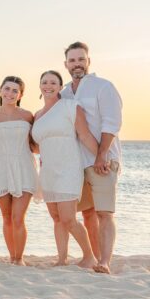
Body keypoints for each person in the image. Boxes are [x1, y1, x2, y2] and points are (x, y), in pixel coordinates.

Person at [61, 41, 123, 274]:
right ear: (66, 64)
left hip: (102, 159)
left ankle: (105, 261)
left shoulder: (103, 87)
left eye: (81, 59)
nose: (77, 64)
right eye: (72, 60)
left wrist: (102, 154)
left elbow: (112, 123)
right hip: (77, 163)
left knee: (104, 212)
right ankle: (93, 257)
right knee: (86, 212)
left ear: (88, 61)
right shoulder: (65, 92)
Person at [33, 69, 98, 268]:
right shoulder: (37, 115)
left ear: (61, 87)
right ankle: (62, 259)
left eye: (53, 82)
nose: (48, 86)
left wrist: (100, 157)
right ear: (40, 86)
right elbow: (37, 145)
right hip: (48, 171)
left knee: (69, 218)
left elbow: (85, 135)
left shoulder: (70, 106)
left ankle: (89, 256)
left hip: (68, 167)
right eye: (45, 82)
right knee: (56, 218)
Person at [0, 76, 37, 265]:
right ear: (0, 90)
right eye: (7, 89)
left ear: (20, 94)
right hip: (2, 167)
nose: (10, 93)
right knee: (6, 217)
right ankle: (11, 256)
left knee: (18, 217)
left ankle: (20, 258)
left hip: (24, 166)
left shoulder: (27, 115)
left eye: (15, 91)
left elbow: (35, 143)